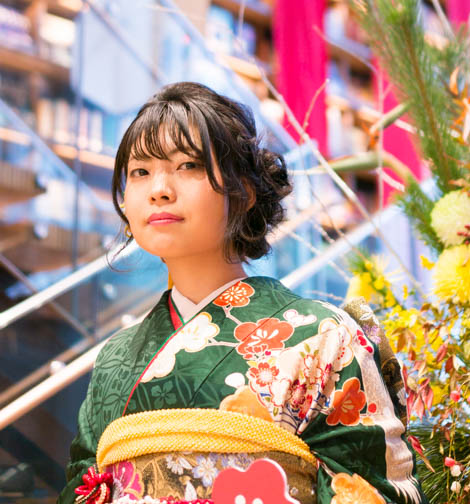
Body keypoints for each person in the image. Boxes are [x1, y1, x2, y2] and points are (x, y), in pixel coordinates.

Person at [59, 82, 426, 504]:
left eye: (188, 165)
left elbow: (373, 488)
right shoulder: (115, 359)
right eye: (140, 172)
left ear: (244, 193)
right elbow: (82, 485)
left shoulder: (325, 337)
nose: (159, 189)